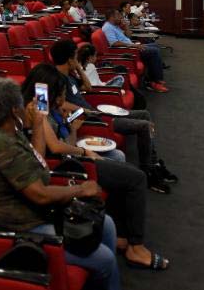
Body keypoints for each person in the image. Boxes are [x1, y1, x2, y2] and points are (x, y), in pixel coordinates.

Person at [0, 76, 127, 290]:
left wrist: (37, 123)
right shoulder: (5, 148)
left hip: (34, 212)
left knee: (106, 224)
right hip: (21, 227)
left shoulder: (7, 131)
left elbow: (39, 162)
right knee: (105, 259)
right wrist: (80, 189)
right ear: (14, 110)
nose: (28, 106)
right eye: (23, 105)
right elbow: (40, 194)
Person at [21, 65, 168, 269]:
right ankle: (136, 246)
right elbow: (52, 147)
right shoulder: (36, 108)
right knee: (136, 178)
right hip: (66, 166)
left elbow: (65, 141)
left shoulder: (49, 109)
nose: (63, 100)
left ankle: (123, 236)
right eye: (60, 95)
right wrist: (86, 152)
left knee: (119, 165)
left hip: (70, 156)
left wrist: (72, 127)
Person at [50, 39, 177, 194]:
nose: (77, 60)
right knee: (144, 125)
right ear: (69, 59)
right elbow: (59, 105)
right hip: (91, 119)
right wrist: (84, 110)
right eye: (75, 57)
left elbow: (88, 87)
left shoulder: (70, 76)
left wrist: (78, 68)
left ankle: (153, 163)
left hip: (96, 112)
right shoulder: (55, 80)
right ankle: (149, 172)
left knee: (144, 114)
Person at [101, 9, 167, 93]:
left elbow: (128, 36)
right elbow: (114, 43)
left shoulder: (115, 26)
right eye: (118, 15)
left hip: (131, 46)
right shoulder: (108, 28)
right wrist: (133, 45)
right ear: (112, 17)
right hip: (128, 50)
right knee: (154, 51)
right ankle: (156, 81)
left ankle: (152, 77)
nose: (121, 17)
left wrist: (126, 27)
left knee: (155, 46)